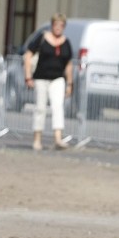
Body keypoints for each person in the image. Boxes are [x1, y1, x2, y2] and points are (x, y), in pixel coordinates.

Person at [23, 13, 74, 151]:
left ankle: (58, 139)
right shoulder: (42, 38)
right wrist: (28, 76)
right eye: (56, 25)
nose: (58, 28)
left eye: (61, 25)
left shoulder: (66, 42)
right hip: (41, 78)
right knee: (40, 108)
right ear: (52, 25)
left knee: (58, 107)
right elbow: (28, 55)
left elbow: (68, 64)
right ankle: (37, 139)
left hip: (58, 79)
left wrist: (70, 83)